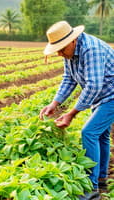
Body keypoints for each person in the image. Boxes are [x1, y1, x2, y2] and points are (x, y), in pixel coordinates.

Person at [39, 21, 114, 200]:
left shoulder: (91, 50)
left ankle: (91, 188)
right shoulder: (70, 54)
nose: (59, 53)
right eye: (56, 49)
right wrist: (54, 104)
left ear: (73, 41)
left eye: (61, 49)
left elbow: (93, 86)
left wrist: (71, 114)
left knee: (88, 132)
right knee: (101, 134)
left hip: (111, 95)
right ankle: (101, 177)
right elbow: (68, 79)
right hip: (102, 95)